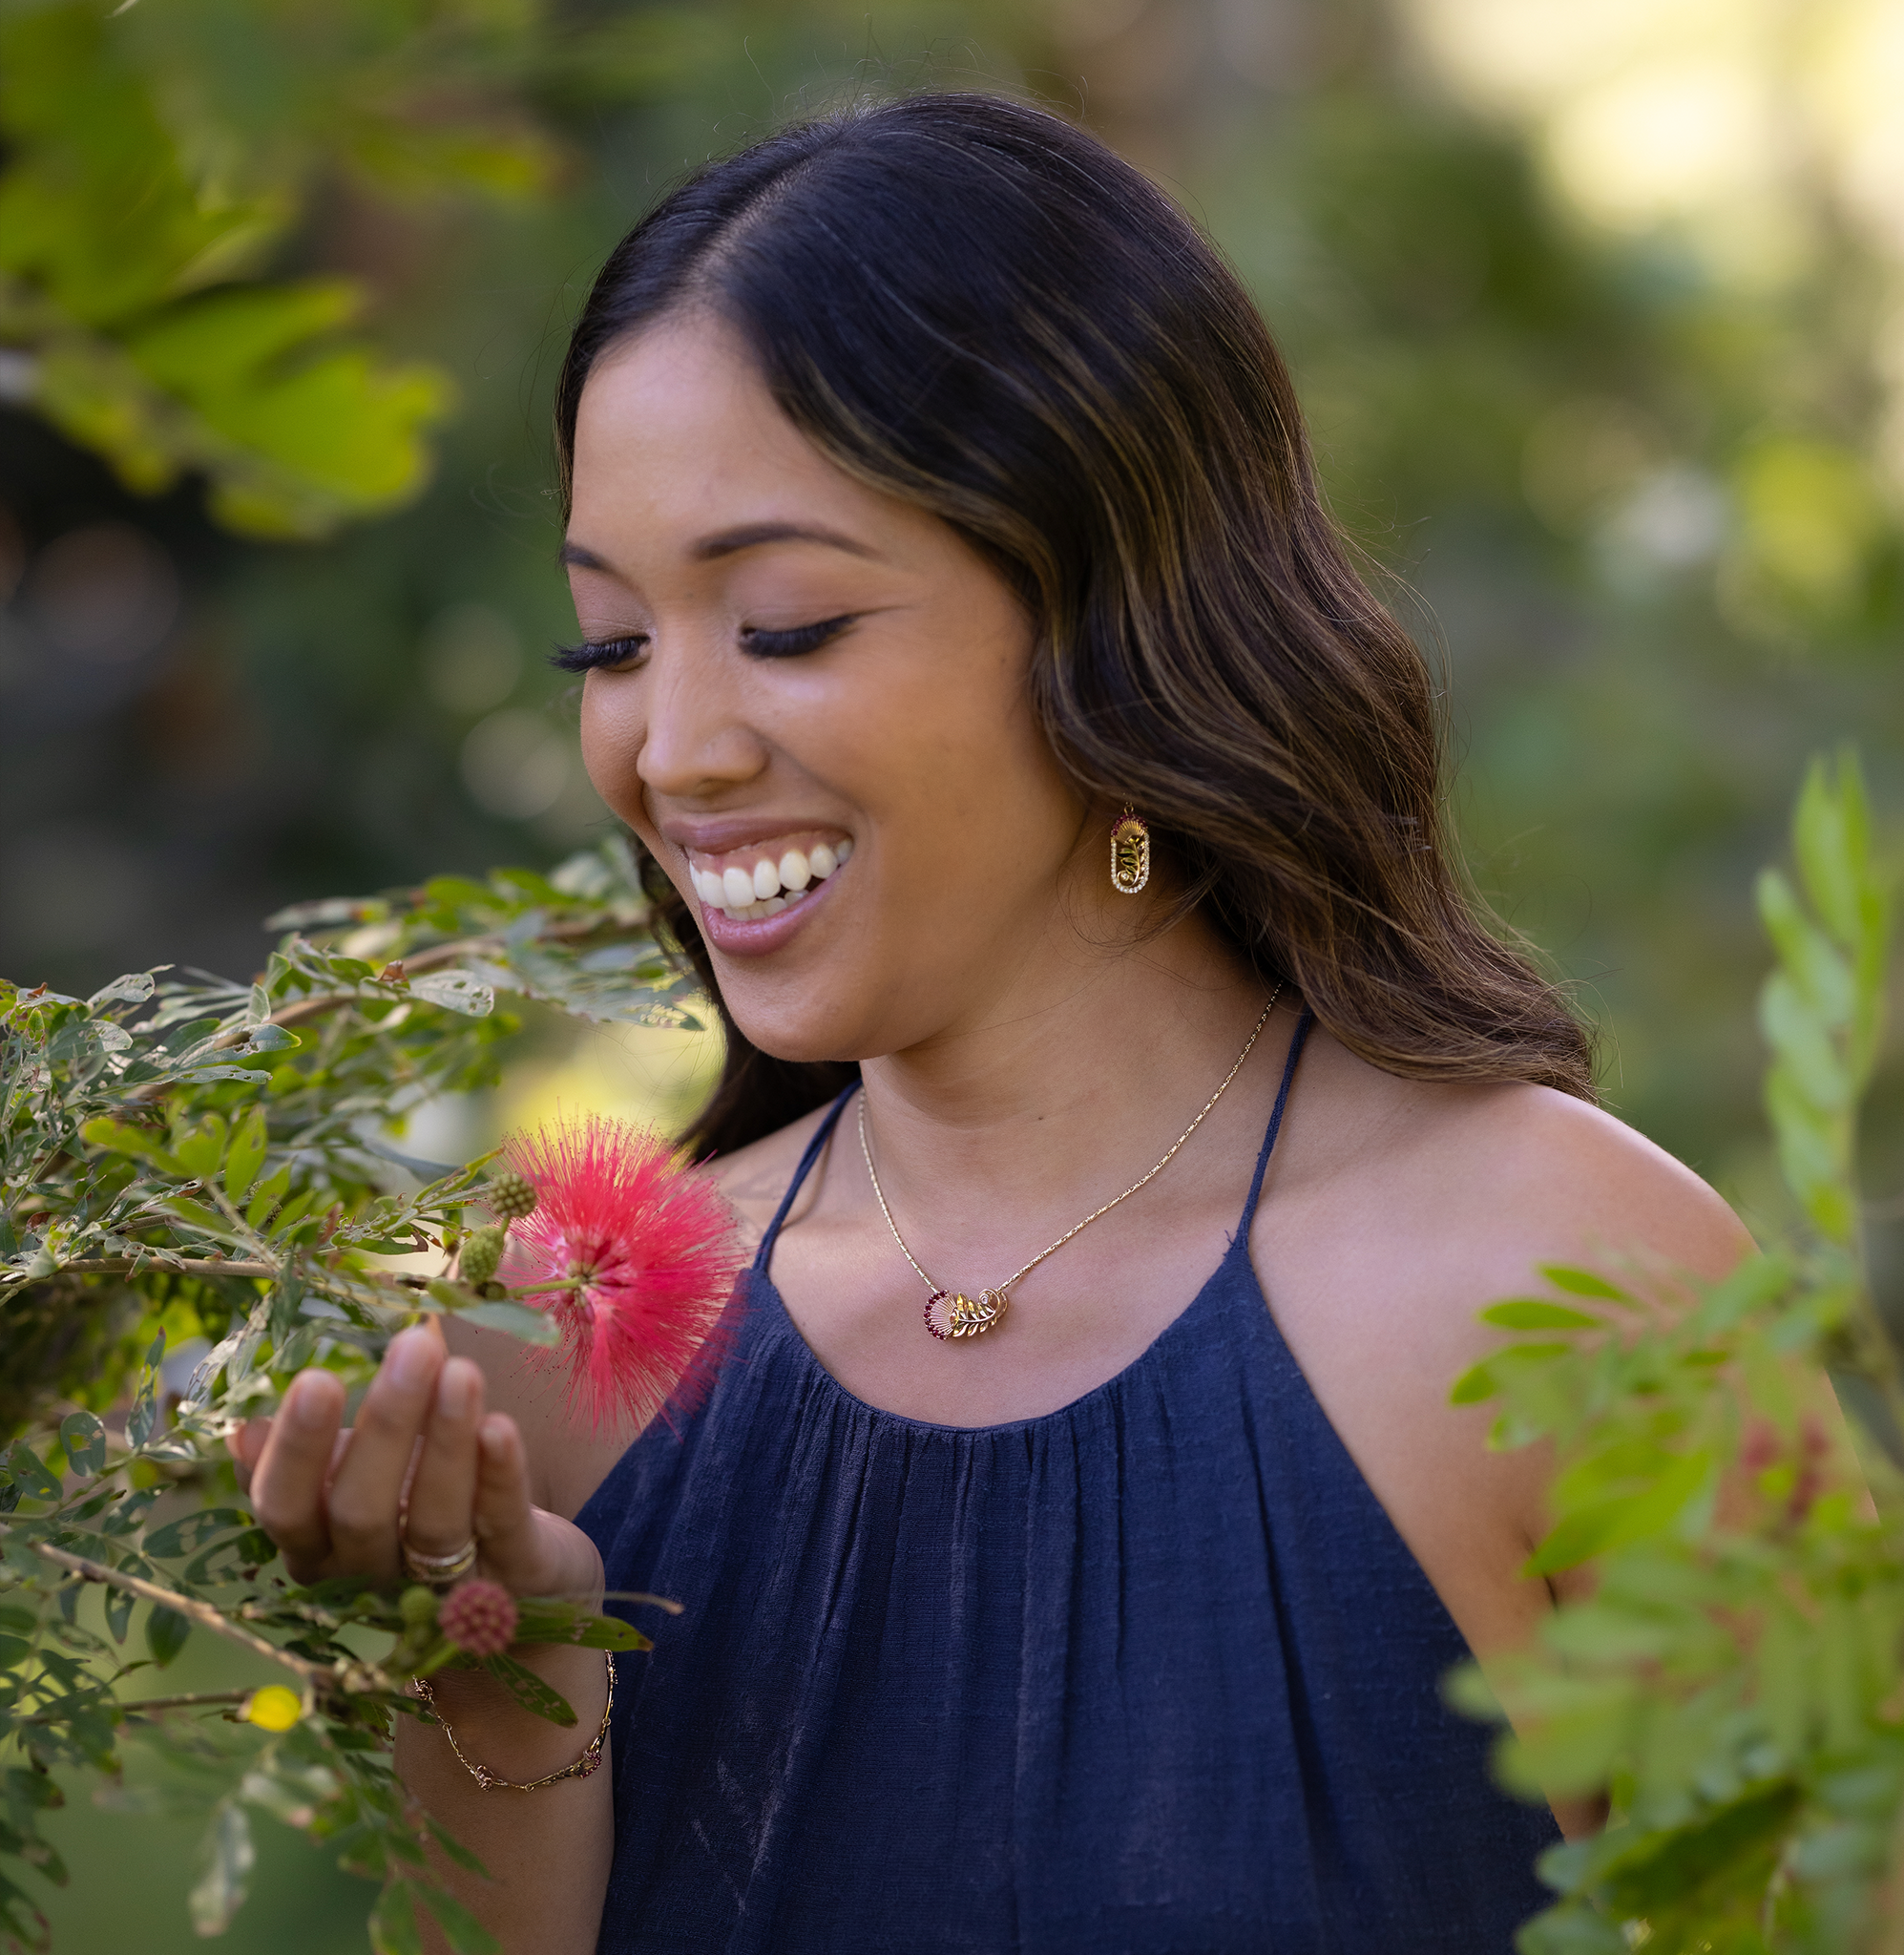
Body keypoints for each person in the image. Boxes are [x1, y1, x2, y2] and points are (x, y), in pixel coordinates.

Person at [236, 92, 1750, 1953]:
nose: (673, 748)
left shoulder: (1573, 1288)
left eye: (783, 622)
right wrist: (494, 1675)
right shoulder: (560, 1363)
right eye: (610, 644)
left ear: (1114, 618)